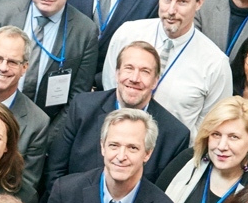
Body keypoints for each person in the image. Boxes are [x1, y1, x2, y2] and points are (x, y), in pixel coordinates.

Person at [45, 39, 192, 192]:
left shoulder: (175, 136)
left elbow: (161, 199)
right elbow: (55, 173)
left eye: (145, 71)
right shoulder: (83, 108)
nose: (135, 78)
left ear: (155, 81)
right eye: (129, 68)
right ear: (117, 73)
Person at [101, 0, 231, 130]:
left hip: (175, 153)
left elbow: (210, 127)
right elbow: (110, 88)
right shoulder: (127, 34)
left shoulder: (215, 64)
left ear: (199, 3)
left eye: (182, 2)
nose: (171, 10)